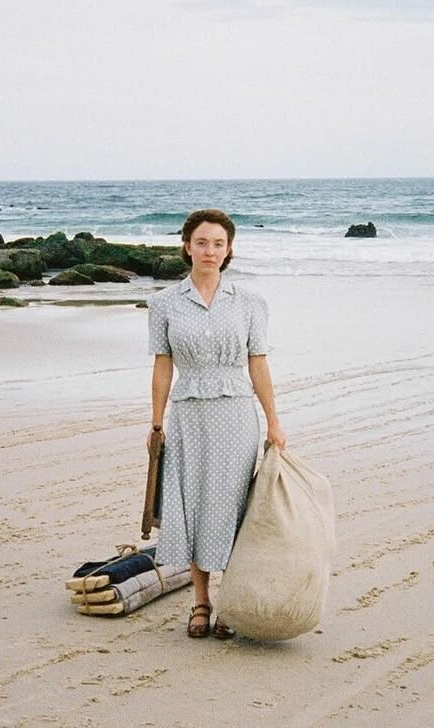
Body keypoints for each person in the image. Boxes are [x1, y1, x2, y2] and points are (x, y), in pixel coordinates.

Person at [146, 208, 286, 640]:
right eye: (202, 242)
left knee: (235, 506)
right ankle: (201, 601)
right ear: (187, 246)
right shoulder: (164, 303)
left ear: (229, 250)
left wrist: (274, 423)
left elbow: (258, 364)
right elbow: (163, 366)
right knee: (194, 504)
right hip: (188, 416)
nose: (210, 251)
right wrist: (156, 424)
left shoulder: (250, 303)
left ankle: (229, 600)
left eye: (218, 244)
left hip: (237, 415)